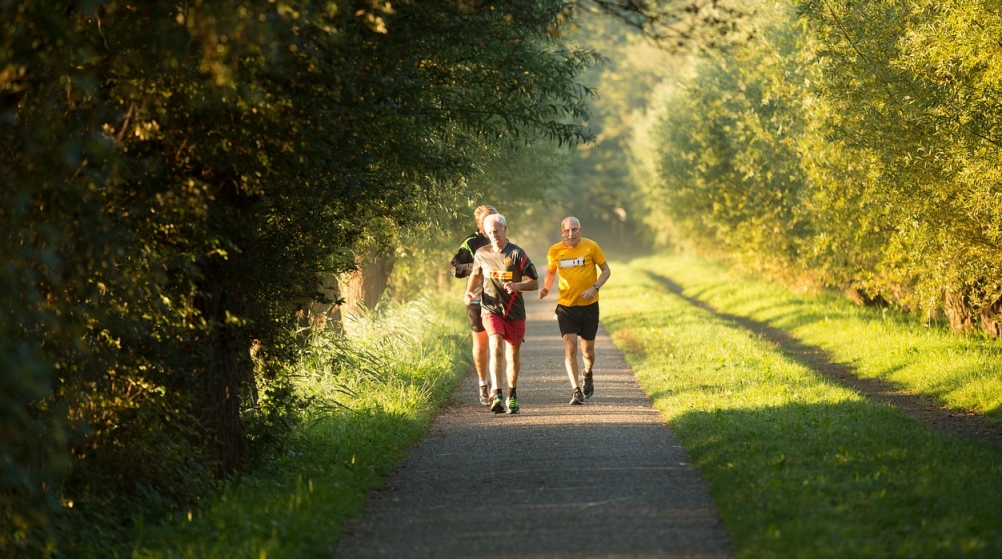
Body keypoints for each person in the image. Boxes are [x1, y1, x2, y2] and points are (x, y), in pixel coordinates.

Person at [464, 213, 538, 414]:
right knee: (495, 345)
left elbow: (534, 283)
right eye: (489, 232)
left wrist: (517, 285)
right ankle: (496, 394)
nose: (493, 235)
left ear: (505, 229)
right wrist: (469, 292)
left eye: (496, 231)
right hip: (491, 309)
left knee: (512, 354)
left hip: (514, 312)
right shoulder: (481, 253)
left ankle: (511, 394)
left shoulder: (517, 254)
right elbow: (475, 274)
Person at [539, 217, 611, 405]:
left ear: (581, 230)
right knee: (570, 347)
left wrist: (594, 288)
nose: (571, 233)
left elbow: (606, 271)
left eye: (574, 229)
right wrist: (546, 288)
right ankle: (575, 389)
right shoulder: (555, 250)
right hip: (566, 307)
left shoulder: (591, 247)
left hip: (589, 307)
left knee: (588, 352)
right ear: (562, 232)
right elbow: (551, 272)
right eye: (567, 230)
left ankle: (587, 373)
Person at [450, 205, 498, 406]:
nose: (490, 225)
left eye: (493, 219)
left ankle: (497, 388)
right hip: (477, 298)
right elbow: (456, 268)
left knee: (497, 344)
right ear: (479, 224)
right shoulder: (470, 243)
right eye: (486, 221)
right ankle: (482, 384)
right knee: (481, 345)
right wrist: (477, 268)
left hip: (497, 298)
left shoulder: (500, 238)